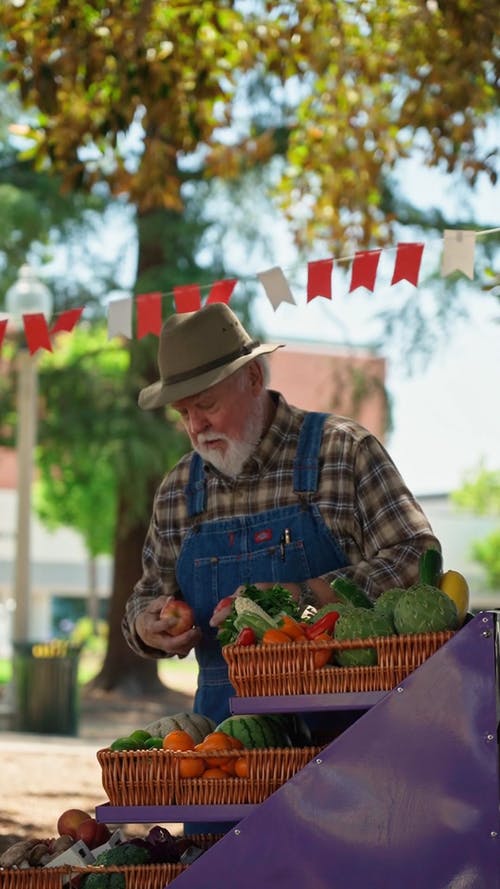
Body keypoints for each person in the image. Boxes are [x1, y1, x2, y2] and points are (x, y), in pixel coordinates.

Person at [122, 302, 440, 729]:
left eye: (207, 404)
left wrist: (305, 595)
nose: (196, 426)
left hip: (348, 739)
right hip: (227, 750)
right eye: (183, 414)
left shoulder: (343, 452)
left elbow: (417, 561)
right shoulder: (178, 490)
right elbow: (146, 597)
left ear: (253, 378)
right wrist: (147, 627)